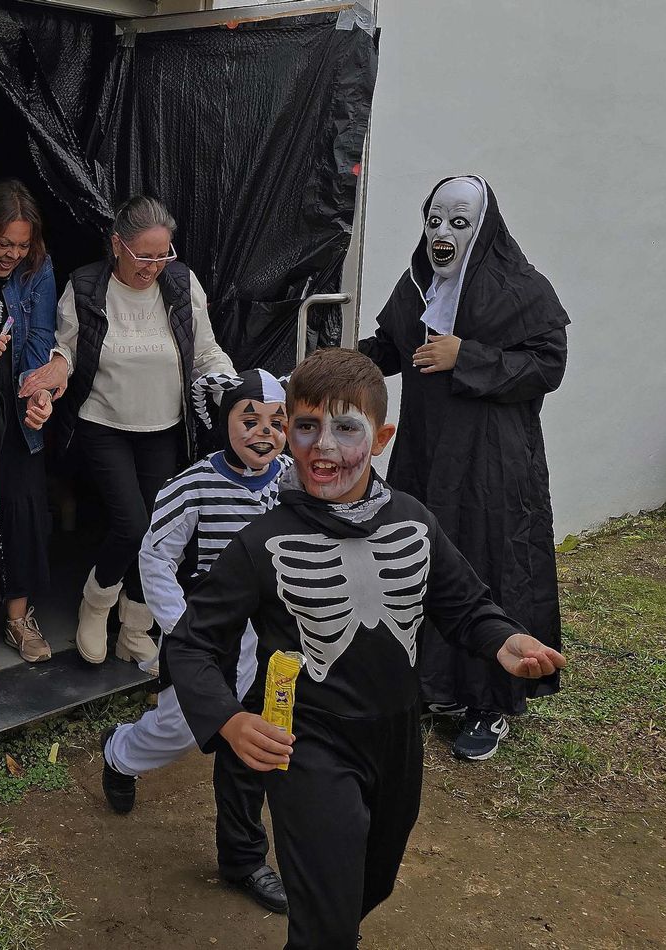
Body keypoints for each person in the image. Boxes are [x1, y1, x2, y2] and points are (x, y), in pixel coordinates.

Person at [164, 348, 565, 950]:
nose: (322, 446)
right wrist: (226, 720)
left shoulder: (413, 521)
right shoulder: (262, 542)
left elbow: (463, 604)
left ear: (380, 438)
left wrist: (503, 640)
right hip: (306, 738)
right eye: (306, 427)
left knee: (368, 882)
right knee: (327, 911)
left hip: (396, 734)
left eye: (345, 428)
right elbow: (192, 642)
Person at [358, 175, 569, 761]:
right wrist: (345, 362)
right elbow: (390, 345)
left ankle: (491, 704)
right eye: (435, 220)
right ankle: (433, 687)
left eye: (458, 221)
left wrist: (465, 355)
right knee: (422, 556)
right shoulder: (417, 283)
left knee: (488, 562)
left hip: (492, 463)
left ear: (483, 227)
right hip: (425, 452)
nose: (442, 233)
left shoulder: (521, 288)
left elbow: (547, 366)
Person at [100, 368, 291, 914]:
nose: (263, 433)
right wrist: (186, 627)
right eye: (248, 419)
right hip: (210, 634)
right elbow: (156, 555)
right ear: (225, 423)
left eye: (276, 422)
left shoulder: (293, 479)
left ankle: (244, 858)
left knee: (255, 739)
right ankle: (120, 754)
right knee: (180, 728)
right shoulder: (191, 485)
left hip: (273, 637)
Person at [20, 195, 235, 667]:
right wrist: (56, 371)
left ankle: (136, 628)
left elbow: (205, 351)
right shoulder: (87, 285)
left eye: (164, 255)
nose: (155, 267)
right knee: (132, 524)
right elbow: (66, 349)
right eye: (145, 256)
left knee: (158, 531)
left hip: (165, 425)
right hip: (105, 423)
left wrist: (233, 390)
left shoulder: (181, 284)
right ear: (117, 244)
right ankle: (95, 607)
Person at [0, 180, 58, 663]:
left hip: (13, 399)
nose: (12, 254)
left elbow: (42, 337)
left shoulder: (38, 269)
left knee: (23, 503)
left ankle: (18, 618)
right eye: (3, 243)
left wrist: (41, 395)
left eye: (21, 244)